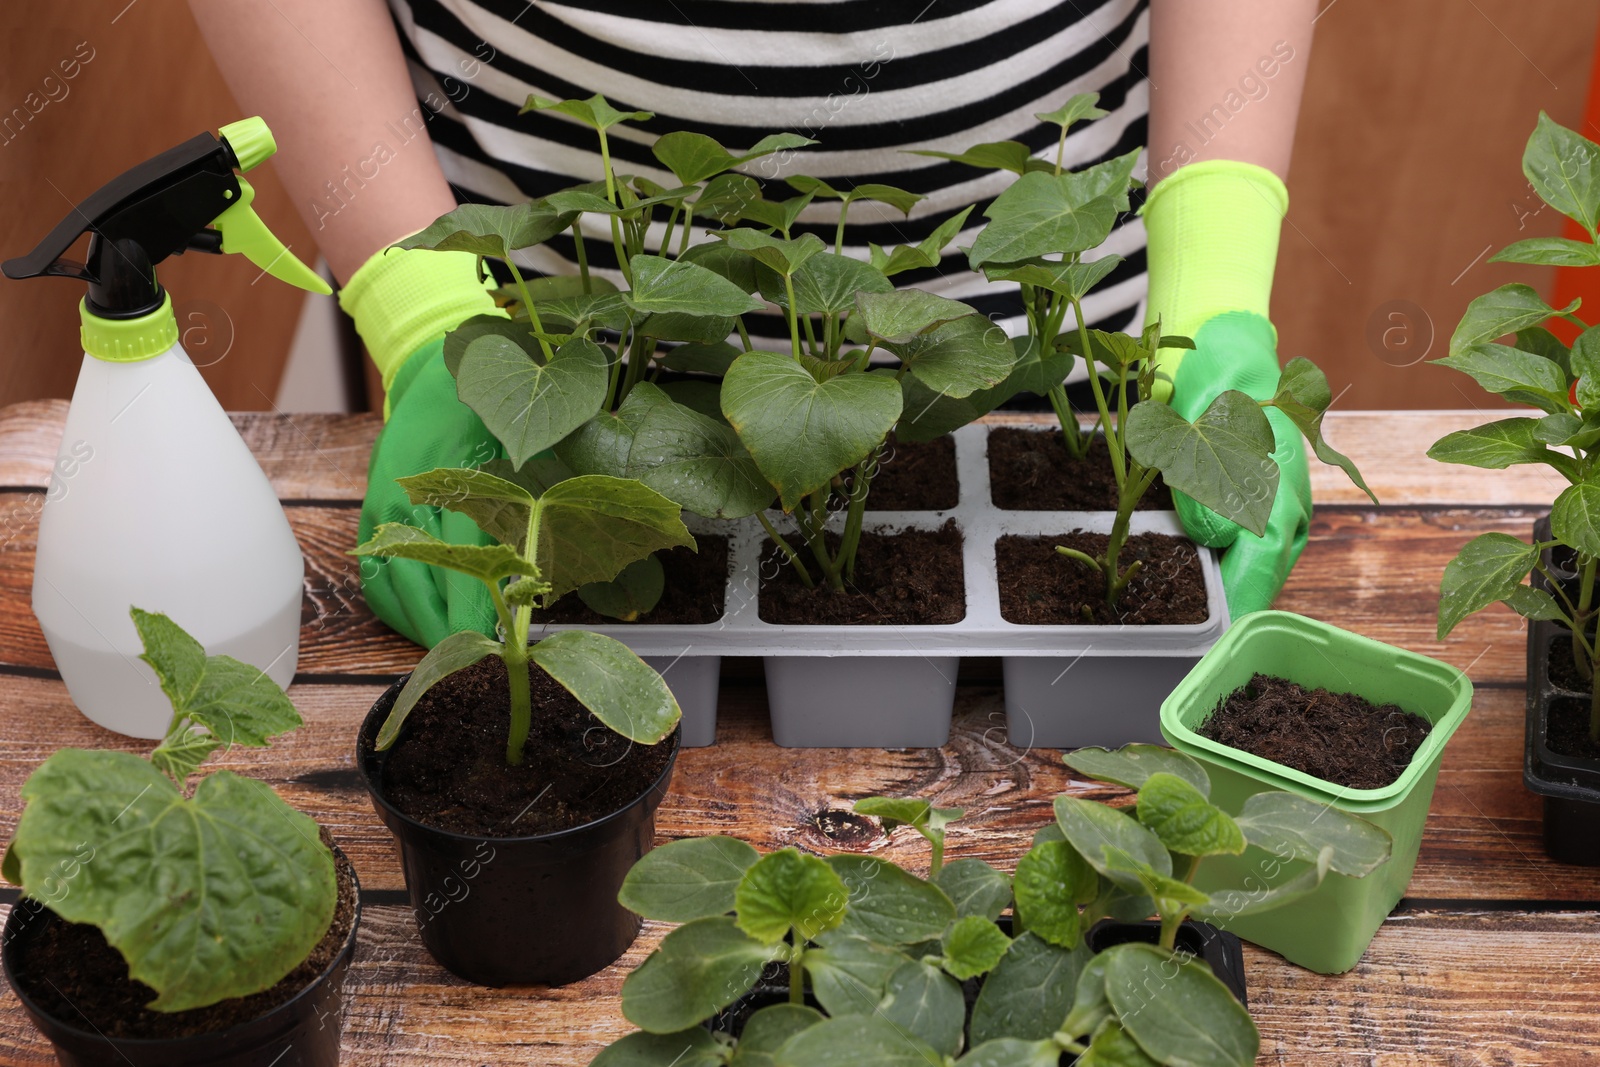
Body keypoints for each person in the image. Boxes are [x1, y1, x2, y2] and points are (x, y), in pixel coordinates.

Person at [190, 0, 1317, 647]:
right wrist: (421, 303)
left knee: (1064, 470)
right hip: (530, 310)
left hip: (1054, 322)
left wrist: (1212, 281)